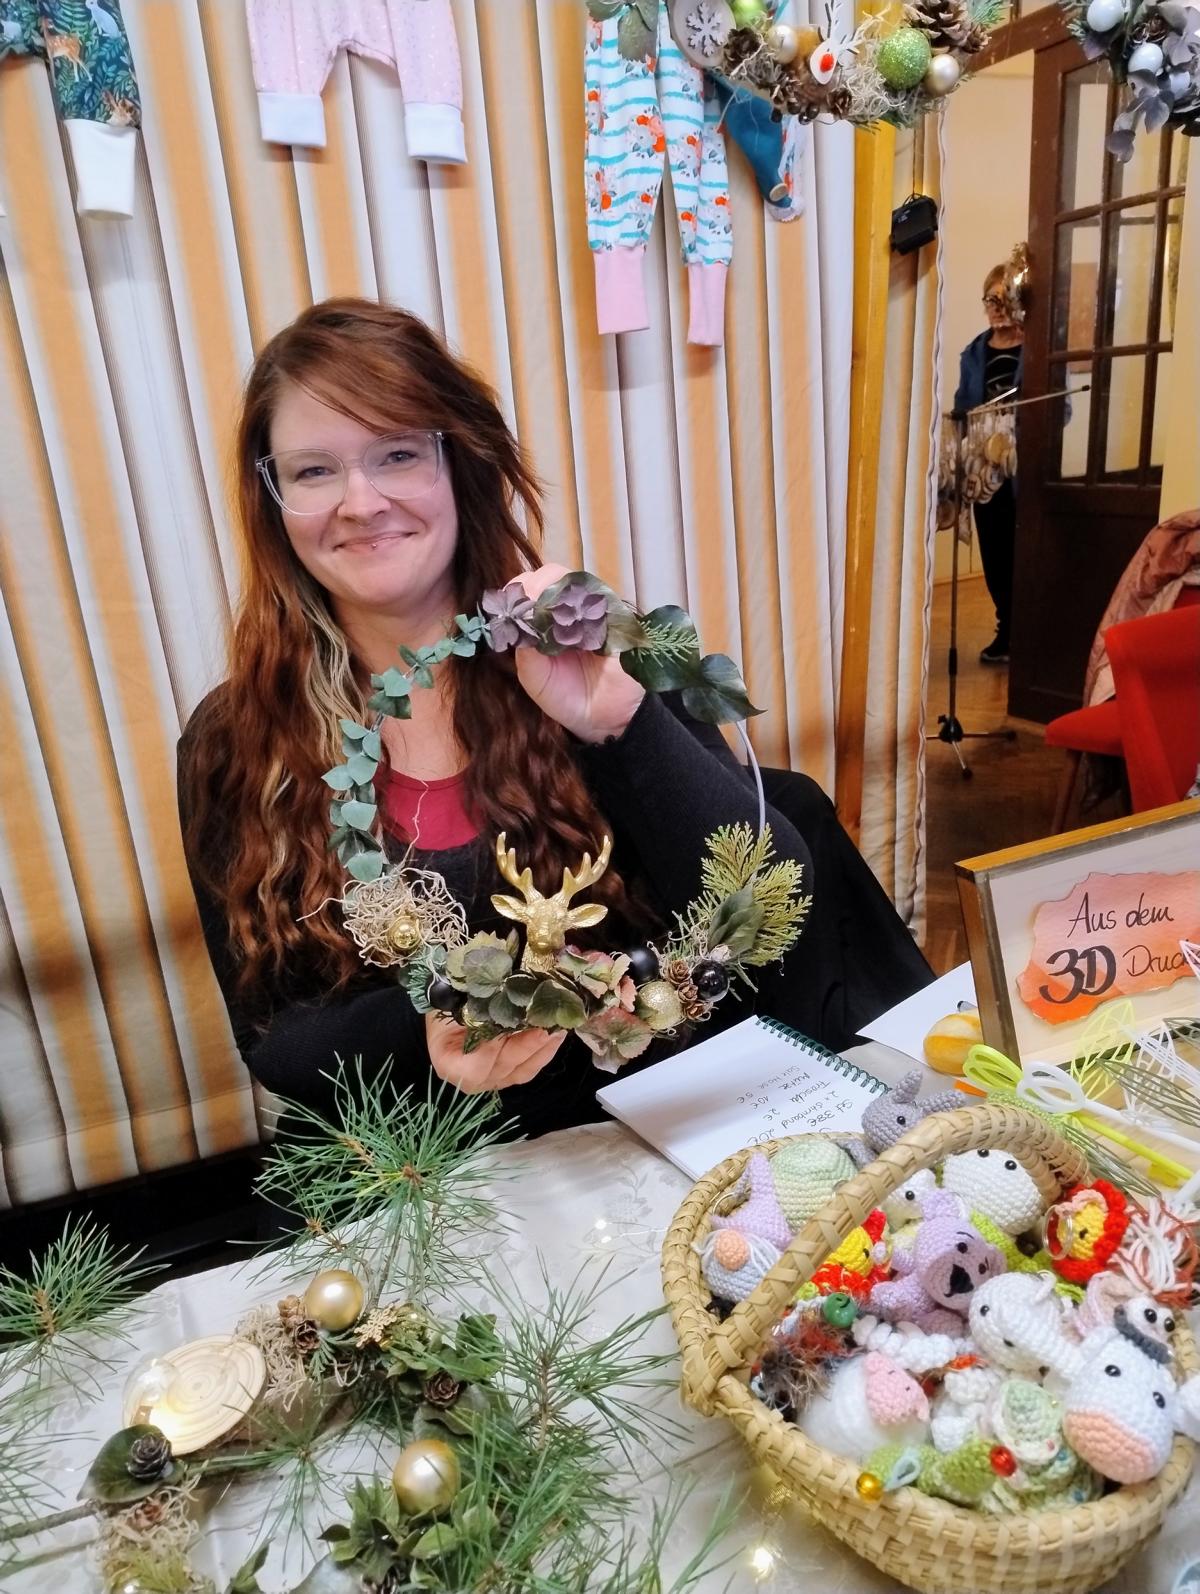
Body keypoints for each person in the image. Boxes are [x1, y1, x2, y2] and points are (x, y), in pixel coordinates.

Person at [178, 298, 931, 1141]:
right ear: (274, 499)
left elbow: (769, 900)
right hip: (432, 1165)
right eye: (314, 471)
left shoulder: (585, 650)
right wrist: (438, 1022)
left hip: (655, 1131)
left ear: (461, 464)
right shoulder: (235, 741)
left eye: (398, 453)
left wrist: (620, 723)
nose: (361, 501)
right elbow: (274, 1038)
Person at [955, 263, 1024, 666]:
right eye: (990, 299)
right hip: (986, 471)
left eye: (1003, 299)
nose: (996, 308)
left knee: (1021, 553)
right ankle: (1006, 628)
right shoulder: (973, 352)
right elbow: (963, 405)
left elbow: (1061, 412)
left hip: (1021, 471)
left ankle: (1023, 630)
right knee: (994, 555)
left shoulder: (1036, 348)